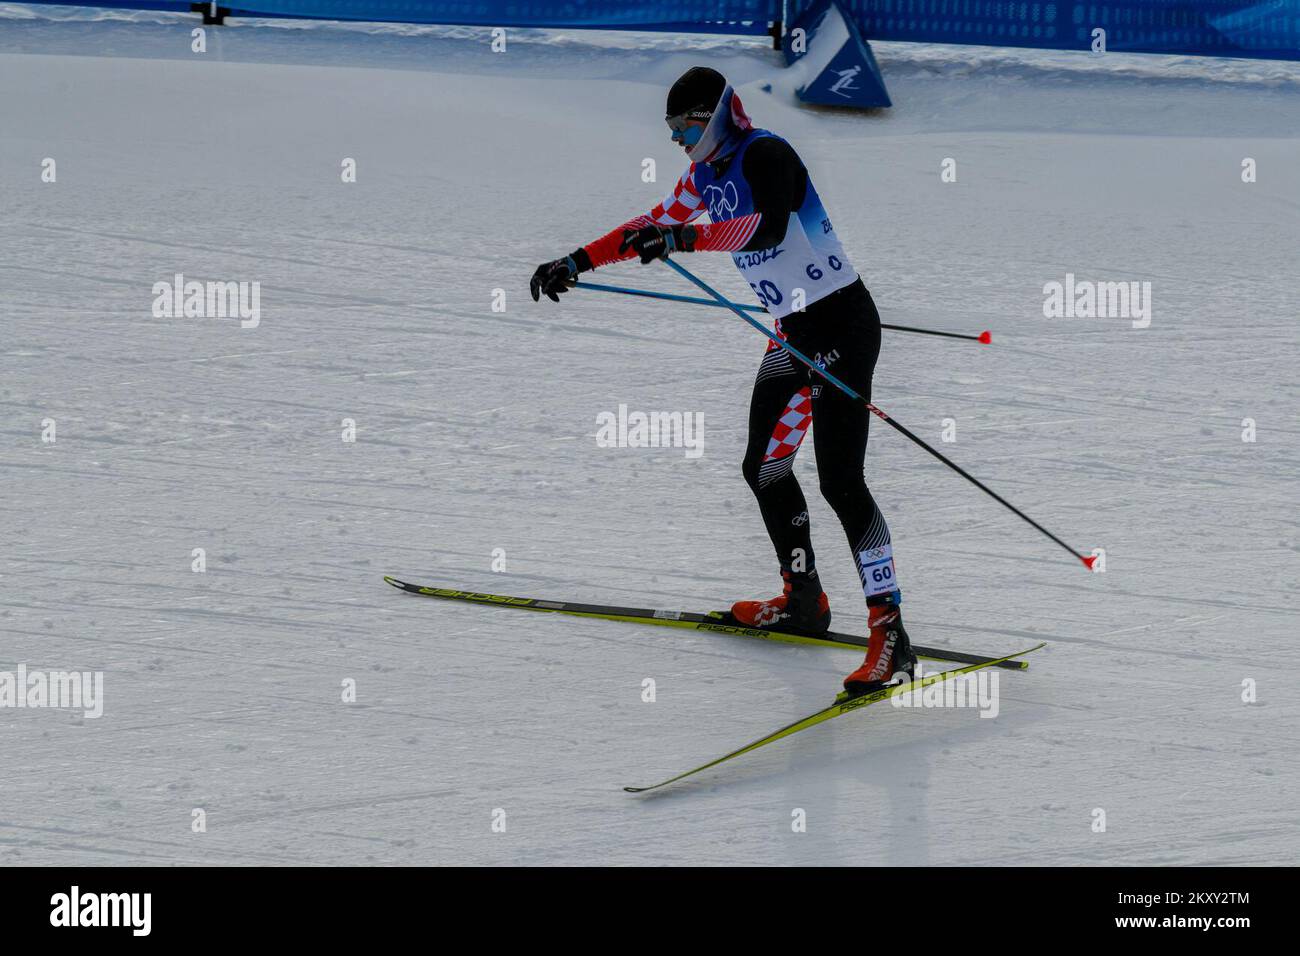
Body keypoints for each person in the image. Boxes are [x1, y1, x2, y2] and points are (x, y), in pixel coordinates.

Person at [529, 66, 914, 696]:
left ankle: (891, 633)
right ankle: (804, 598)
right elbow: (648, 224)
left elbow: (768, 227)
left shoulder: (768, 153)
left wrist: (684, 237)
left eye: (684, 126)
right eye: (671, 129)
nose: (678, 139)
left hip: (841, 327)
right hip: (793, 333)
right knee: (763, 467)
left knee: (842, 483)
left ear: (712, 116)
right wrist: (575, 261)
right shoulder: (703, 177)